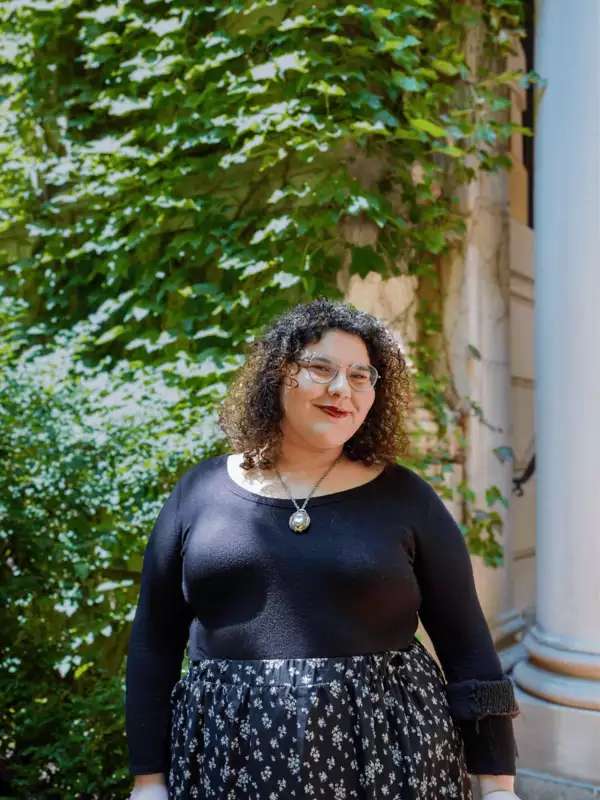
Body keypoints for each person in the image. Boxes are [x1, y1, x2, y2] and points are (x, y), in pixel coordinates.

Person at [125, 299, 522, 800]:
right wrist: (148, 778)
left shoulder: (407, 498)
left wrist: (498, 785)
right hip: (227, 762)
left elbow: (468, 646)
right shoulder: (198, 492)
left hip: (390, 761)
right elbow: (153, 641)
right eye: (320, 368)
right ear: (277, 375)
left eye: (362, 376)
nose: (343, 389)